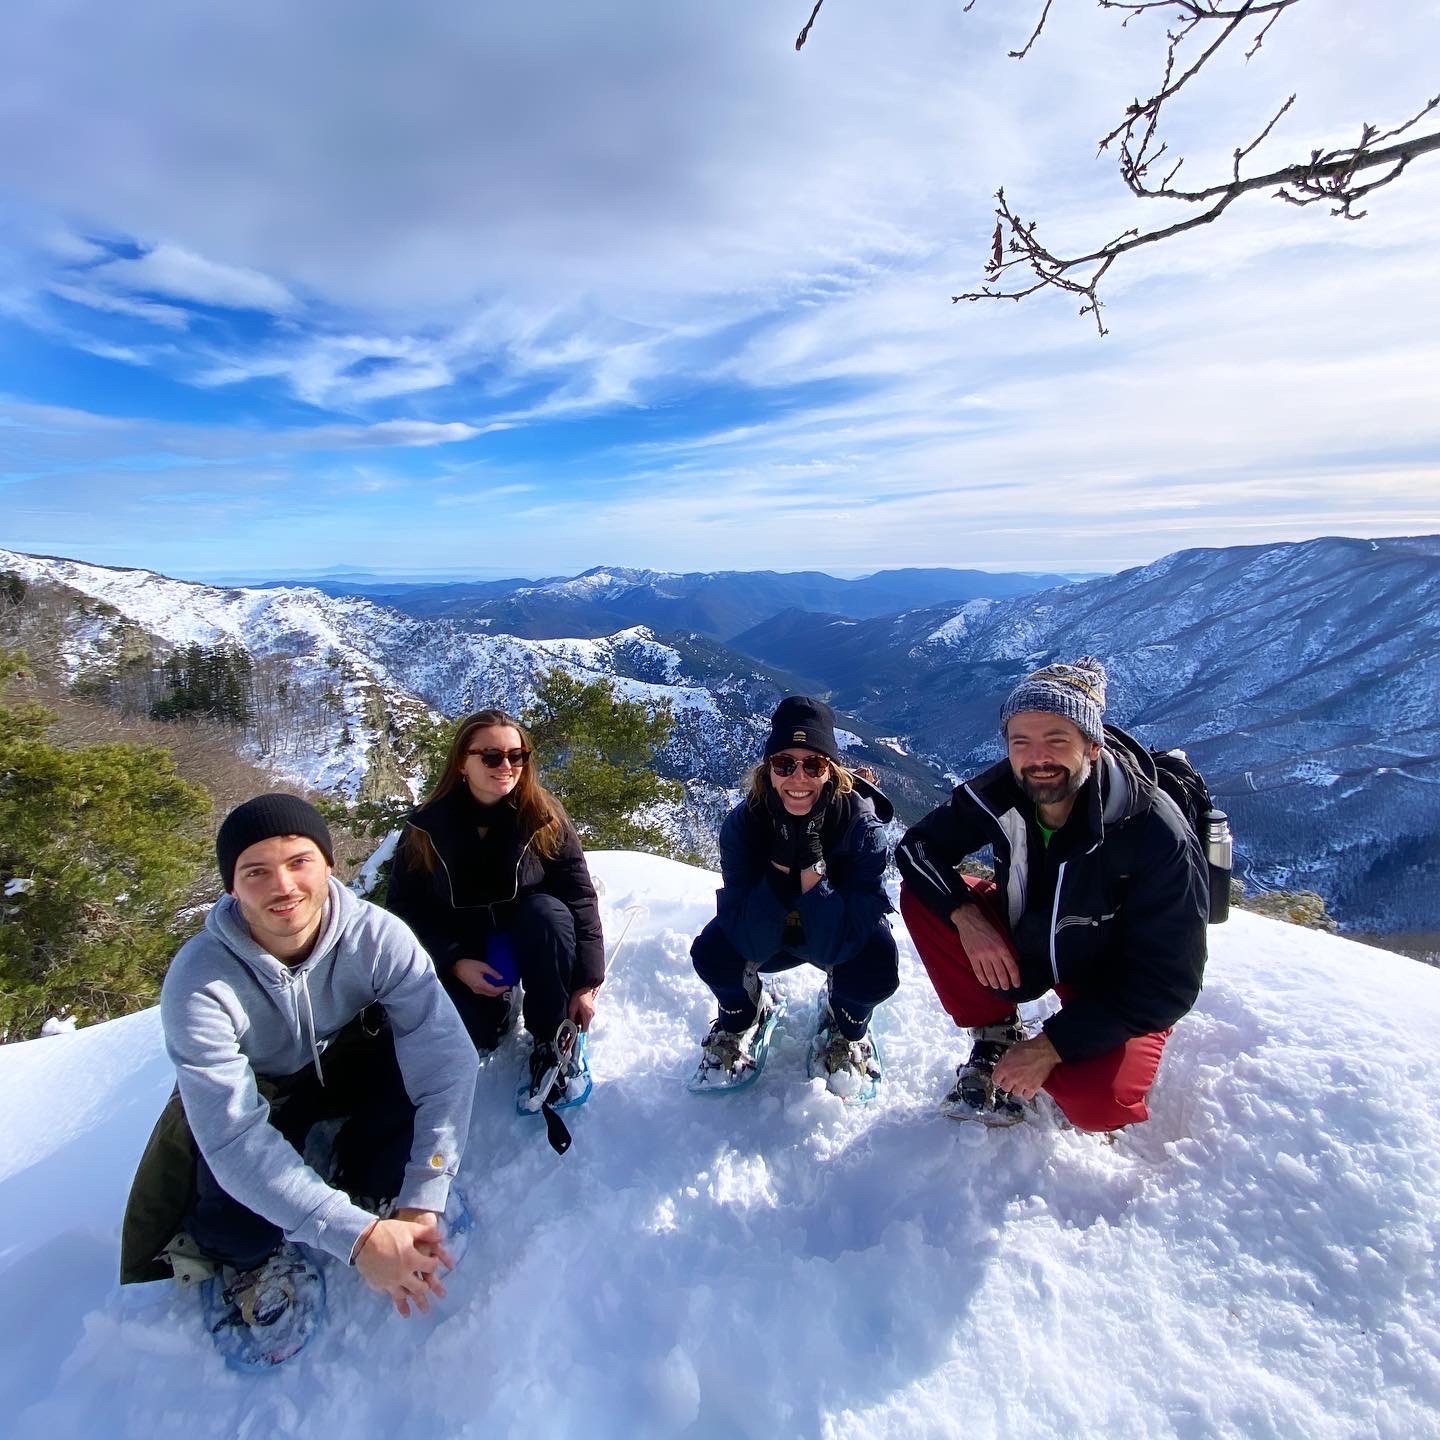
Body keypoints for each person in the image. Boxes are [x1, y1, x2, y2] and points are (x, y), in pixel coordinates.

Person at [120, 793, 478, 1349]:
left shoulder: (376, 937)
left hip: (343, 1059)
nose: (283, 886)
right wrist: (357, 1240)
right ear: (231, 886)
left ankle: (376, 1187)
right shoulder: (200, 982)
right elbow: (233, 1139)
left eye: (299, 861)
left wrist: (426, 1189)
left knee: (400, 1110)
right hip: (263, 1091)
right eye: (256, 871)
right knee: (233, 1218)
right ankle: (250, 1262)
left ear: (329, 866)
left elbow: (445, 1059)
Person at [896, 657, 1208, 1130]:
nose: (1038, 758)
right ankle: (997, 1033)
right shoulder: (1006, 789)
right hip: (1037, 943)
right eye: (1021, 742)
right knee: (926, 897)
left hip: (1116, 982)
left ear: (1093, 746)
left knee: (1097, 1105)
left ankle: (1064, 1047)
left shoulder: (1154, 832)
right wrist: (966, 915)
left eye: (1057, 740)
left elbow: (1169, 984)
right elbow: (917, 848)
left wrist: (1051, 1046)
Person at [386, 708, 604, 1107]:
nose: (506, 766)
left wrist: (585, 983)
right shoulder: (425, 830)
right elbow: (404, 910)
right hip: (470, 947)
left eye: (516, 755)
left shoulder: (544, 818)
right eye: (491, 756)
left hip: (532, 934)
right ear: (462, 763)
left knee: (548, 912)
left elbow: (578, 897)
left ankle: (550, 1036)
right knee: (476, 1035)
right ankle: (502, 1007)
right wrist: (454, 961)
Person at [690, 695, 899, 1092]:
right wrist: (782, 863)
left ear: (831, 771)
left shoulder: (862, 829)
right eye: (784, 763)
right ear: (768, 771)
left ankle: (845, 1023)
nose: (798, 777)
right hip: (771, 937)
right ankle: (742, 1017)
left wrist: (812, 870)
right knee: (713, 953)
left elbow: (842, 941)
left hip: (836, 935)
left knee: (875, 964)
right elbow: (745, 934)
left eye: (813, 764)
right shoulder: (744, 825)